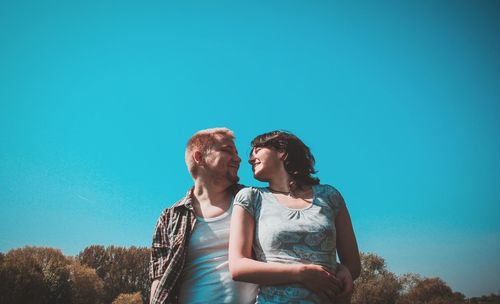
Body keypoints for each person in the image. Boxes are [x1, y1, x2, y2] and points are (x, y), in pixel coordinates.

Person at [150, 128, 353, 304]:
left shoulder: (257, 202)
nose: (240, 159)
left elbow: (296, 244)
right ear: (199, 157)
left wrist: (341, 268)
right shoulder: (171, 218)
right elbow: (159, 281)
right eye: (228, 150)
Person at [229, 130, 361, 303]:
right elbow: (238, 267)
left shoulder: (330, 196)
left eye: (257, 150)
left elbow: (353, 264)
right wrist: (302, 274)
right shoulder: (251, 197)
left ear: (282, 151)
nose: (250, 159)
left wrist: (344, 271)